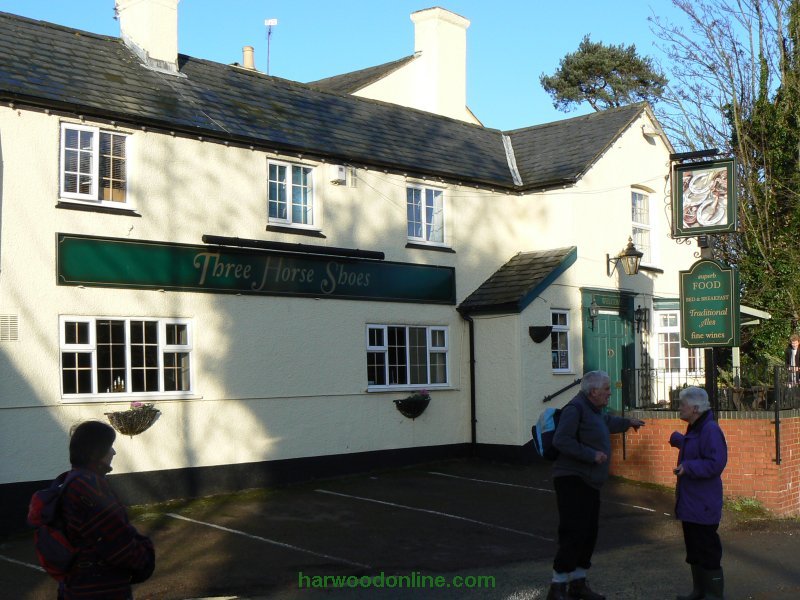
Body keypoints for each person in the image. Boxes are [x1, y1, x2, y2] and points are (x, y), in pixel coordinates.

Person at [546, 370, 645, 600]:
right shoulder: (575, 409)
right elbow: (562, 440)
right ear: (593, 392)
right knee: (574, 531)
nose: (610, 393)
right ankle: (557, 586)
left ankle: (578, 584)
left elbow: (607, 422)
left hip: (590, 482)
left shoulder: (594, 409)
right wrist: (591, 455)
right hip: (572, 479)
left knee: (589, 533)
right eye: (607, 389)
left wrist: (627, 422)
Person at [58, 421, 155, 599]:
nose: (114, 452)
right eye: (110, 446)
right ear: (97, 452)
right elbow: (117, 543)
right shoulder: (89, 487)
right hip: (99, 588)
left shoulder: (73, 479)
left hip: (78, 586)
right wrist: (145, 558)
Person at [670, 386, 728, 600]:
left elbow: (716, 463)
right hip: (691, 502)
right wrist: (679, 440)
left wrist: (688, 467)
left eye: (682, 404)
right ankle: (699, 591)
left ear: (695, 408)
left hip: (703, 502)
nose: (679, 408)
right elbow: (696, 448)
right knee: (694, 549)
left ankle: (713, 595)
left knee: (707, 550)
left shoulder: (710, 429)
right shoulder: (695, 428)